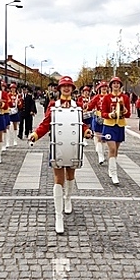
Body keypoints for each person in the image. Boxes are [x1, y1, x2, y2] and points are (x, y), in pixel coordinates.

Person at [28, 76, 93, 234]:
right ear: (59, 89)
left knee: (70, 175)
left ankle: (68, 198)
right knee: (58, 179)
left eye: (69, 86)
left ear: (72, 89)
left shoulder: (77, 106)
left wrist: (86, 131)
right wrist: (36, 135)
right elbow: (46, 123)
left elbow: (81, 123)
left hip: (72, 145)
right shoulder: (53, 105)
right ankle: (58, 216)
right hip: (57, 145)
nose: (66, 89)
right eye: (63, 86)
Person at [100, 76, 131, 185]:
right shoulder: (107, 98)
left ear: (120, 86)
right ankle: (114, 173)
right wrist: (110, 114)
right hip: (109, 125)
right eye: (114, 83)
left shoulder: (125, 97)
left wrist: (125, 111)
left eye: (118, 83)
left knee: (115, 150)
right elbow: (103, 113)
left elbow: (128, 114)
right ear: (111, 85)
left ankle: (110, 167)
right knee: (112, 148)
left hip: (120, 125)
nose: (116, 85)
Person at [86, 81, 109, 165]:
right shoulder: (96, 97)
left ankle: (101, 151)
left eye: (105, 86)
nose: (104, 88)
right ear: (99, 89)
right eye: (102, 87)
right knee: (99, 137)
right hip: (98, 119)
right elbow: (90, 106)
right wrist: (87, 106)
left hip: (107, 119)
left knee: (104, 139)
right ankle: (100, 156)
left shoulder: (110, 97)